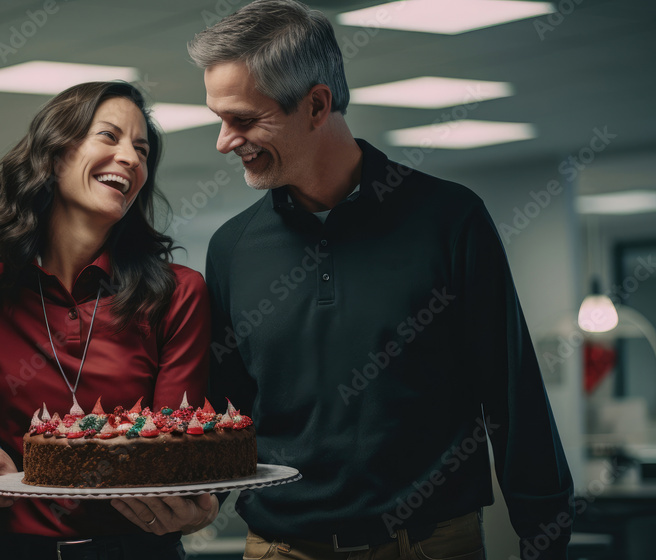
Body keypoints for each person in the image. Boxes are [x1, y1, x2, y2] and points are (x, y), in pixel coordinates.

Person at [189, 1, 575, 559]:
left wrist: (548, 540)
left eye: (244, 119)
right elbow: (228, 414)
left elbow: (511, 394)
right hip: (280, 549)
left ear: (317, 104)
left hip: (429, 545)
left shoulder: (450, 219)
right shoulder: (231, 249)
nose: (225, 141)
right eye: (219, 119)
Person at [0, 81, 218, 560]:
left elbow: (173, 446)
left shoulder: (178, 293)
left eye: (141, 149)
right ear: (54, 155)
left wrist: (199, 500)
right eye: (109, 136)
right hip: (18, 549)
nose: (132, 158)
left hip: (139, 549)